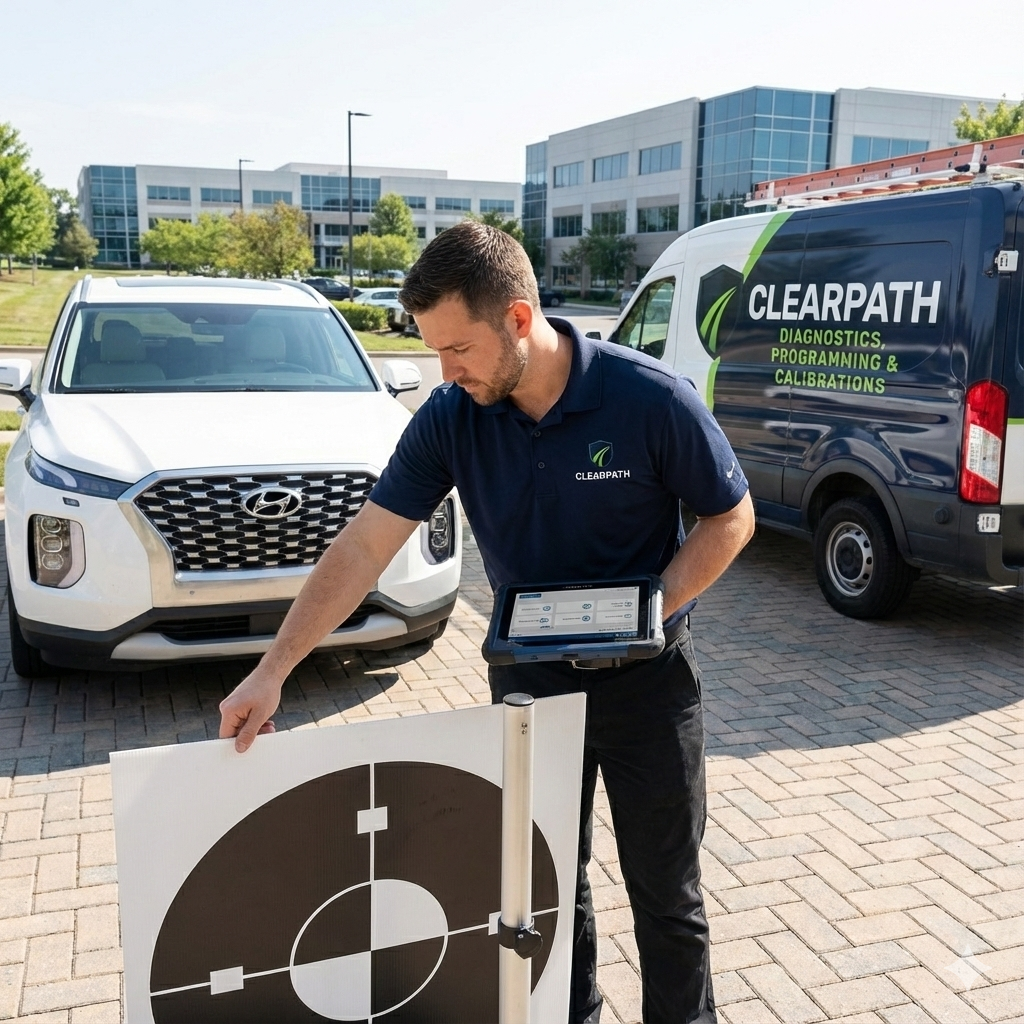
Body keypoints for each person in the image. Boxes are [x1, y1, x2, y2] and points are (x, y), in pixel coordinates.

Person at [220, 221, 754, 1023]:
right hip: (530, 692)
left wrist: (645, 615)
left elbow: (730, 518)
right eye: (434, 351)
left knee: (667, 899)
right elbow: (365, 545)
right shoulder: (451, 417)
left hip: (650, 689)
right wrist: (274, 668)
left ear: (516, 318)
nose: (445, 370)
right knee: (547, 886)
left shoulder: (647, 397)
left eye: (456, 348)